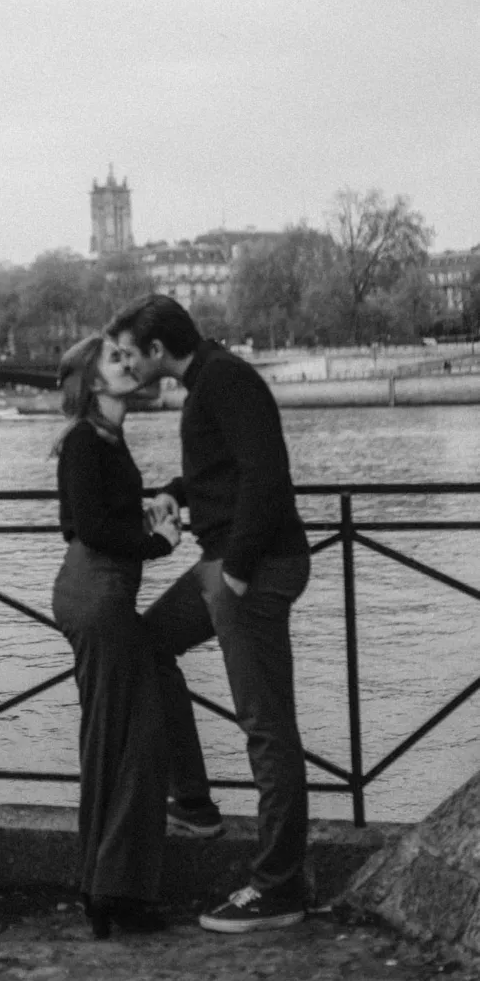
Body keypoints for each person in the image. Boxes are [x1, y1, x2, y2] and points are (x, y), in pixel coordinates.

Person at [108, 296, 311, 934]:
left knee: (266, 725)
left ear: (158, 352)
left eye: (129, 354)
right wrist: (175, 490)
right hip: (224, 565)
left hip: (251, 569)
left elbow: (266, 475)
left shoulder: (225, 380)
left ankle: (278, 889)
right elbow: (224, 469)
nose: (124, 364)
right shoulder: (209, 380)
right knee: (146, 644)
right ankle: (194, 802)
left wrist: (240, 570)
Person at [51, 332, 181, 940]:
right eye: (115, 359)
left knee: (119, 739)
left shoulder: (105, 436)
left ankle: (106, 890)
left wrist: (152, 506)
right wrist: (158, 542)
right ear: (93, 380)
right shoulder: (84, 440)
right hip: (99, 598)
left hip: (99, 594)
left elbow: (74, 521)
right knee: (133, 740)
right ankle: (111, 891)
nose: (129, 363)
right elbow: (92, 528)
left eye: (127, 355)